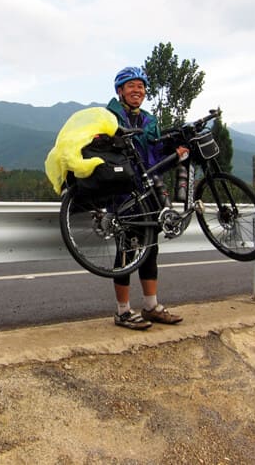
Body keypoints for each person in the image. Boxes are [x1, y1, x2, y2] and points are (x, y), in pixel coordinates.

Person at [106, 66, 183, 330]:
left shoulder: (149, 120)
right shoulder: (109, 116)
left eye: (141, 86)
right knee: (127, 249)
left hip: (148, 192)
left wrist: (175, 153)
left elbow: (156, 157)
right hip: (122, 193)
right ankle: (122, 312)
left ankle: (151, 307)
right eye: (131, 86)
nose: (137, 90)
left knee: (150, 249)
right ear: (120, 91)